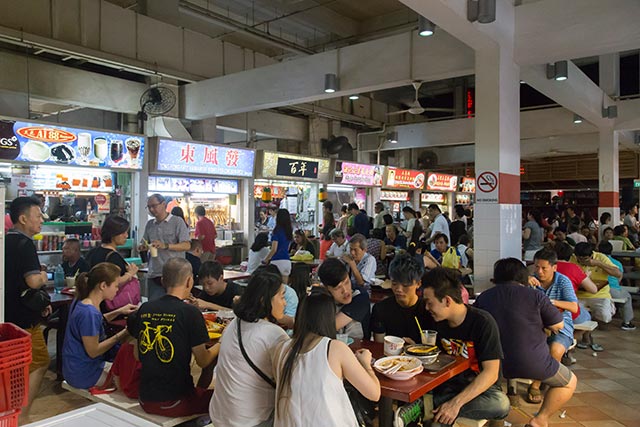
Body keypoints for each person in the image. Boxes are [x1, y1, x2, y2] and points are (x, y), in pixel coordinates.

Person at [475, 258, 577, 427]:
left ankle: (497, 423)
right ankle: (540, 419)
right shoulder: (536, 296)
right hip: (531, 362)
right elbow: (558, 324)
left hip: (492, 365)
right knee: (569, 383)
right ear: (524, 276)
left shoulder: (485, 297)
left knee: (494, 391)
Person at [273, 287, 380, 426]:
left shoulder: (282, 348)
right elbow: (374, 393)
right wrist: (365, 363)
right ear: (329, 317)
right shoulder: (334, 348)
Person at [422, 268, 510, 425]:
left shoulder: (483, 322)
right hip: (447, 385)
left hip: (480, 389)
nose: (427, 308)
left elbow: (491, 373)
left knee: (501, 404)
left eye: (429, 303)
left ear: (447, 301)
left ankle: (429, 407)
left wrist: (455, 405)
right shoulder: (433, 320)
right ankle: (432, 408)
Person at [134, 258, 219, 417]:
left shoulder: (145, 308)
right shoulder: (190, 313)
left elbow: (138, 355)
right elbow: (203, 360)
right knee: (222, 400)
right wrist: (221, 342)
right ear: (189, 281)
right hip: (174, 402)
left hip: (145, 399)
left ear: (162, 281)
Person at [209, 271, 289, 427]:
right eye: (282, 297)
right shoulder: (274, 334)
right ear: (264, 300)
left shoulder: (234, 324)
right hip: (250, 421)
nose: (285, 303)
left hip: (219, 416)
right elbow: (289, 380)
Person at [5, 197, 51, 422]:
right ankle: (22, 416)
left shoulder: (5, 241)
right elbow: (33, 281)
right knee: (40, 362)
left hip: (8, 317)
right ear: (23, 219)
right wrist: (43, 275)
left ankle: (12, 412)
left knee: (13, 368)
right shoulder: (25, 244)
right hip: (24, 321)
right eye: (38, 215)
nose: (41, 220)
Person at [62, 263, 137, 389]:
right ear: (103, 286)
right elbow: (93, 351)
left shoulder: (83, 301)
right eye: (116, 286)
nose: (117, 290)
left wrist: (119, 311)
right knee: (130, 381)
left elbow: (96, 322)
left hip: (76, 367)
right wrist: (123, 334)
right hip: (83, 373)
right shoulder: (89, 313)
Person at [528, 249, 578, 402]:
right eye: (536, 267)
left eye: (544, 268)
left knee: (555, 350)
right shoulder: (530, 281)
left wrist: (550, 303)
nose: (539, 271)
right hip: (536, 324)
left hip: (561, 324)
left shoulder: (563, 281)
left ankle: (536, 385)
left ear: (554, 268)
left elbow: (574, 307)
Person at [371, 254, 435, 344]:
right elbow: (379, 345)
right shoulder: (381, 309)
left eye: (405, 285)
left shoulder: (428, 310)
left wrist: (416, 349)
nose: (398, 289)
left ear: (418, 284)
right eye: (394, 283)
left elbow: (433, 348)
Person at [139, 194, 191, 300]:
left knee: (174, 306)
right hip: (155, 272)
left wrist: (166, 245)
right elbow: (145, 242)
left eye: (154, 206)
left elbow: (187, 245)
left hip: (175, 274)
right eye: (149, 207)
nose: (151, 209)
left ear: (163, 204)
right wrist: (143, 247)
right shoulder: (150, 224)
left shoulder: (177, 222)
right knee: (154, 307)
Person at [318, 258, 371, 340]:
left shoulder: (360, 297)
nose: (345, 290)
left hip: (358, 348)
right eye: (338, 288)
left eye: (346, 282)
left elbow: (330, 327)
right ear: (326, 288)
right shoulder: (322, 298)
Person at [570, 242, 621, 324]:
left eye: (585, 259)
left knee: (605, 317)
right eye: (579, 259)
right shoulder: (571, 258)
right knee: (574, 317)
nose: (582, 261)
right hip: (578, 295)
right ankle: (587, 331)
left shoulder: (600, 257)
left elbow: (618, 273)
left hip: (600, 294)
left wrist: (599, 263)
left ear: (591, 255)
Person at [86, 215, 140, 290]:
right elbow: (114, 282)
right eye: (123, 232)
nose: (126, 236)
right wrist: (130, 273)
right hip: (109, 300)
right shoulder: (113, 257)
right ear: (113, 233)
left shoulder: (92, 252)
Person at [597, 241, 636, 330]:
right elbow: (619, 278)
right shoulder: (617, 263)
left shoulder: (595, 262)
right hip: (612, 289)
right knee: (628, 297)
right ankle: (627, 322)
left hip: (598, 288)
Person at [253, 264, 299, 329]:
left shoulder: (289, 293)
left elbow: (291, 322)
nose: (284, 303)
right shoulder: (256, 290)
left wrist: (271, 314)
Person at [110, 313, 142, 399]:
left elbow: (116, 374)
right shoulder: (145, 350)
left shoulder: (124, 347)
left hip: (125, 389)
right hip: (140, 393)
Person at [264, 208, 293, 281]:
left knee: (275, 288)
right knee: (285, 288)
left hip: (277, 262)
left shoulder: (276, 231)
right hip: (287, 262)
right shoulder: (289, 232)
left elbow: (274, 249)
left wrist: (266, 259)